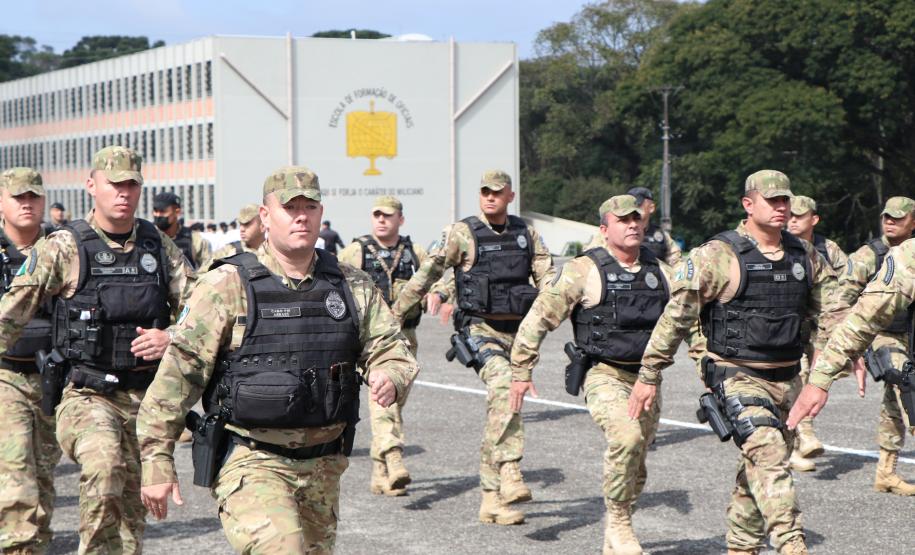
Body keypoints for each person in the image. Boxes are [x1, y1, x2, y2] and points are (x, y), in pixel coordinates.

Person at [136, 166, 418, 553]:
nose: (301, 216)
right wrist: (156, 460)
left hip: (324, 465)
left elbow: (391, 346)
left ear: (321, 213)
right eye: (290, 208)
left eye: (310, 206)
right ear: (266, 216)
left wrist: (390, 373)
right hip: (252, 459)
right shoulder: (227, 286)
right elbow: (177, 376)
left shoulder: (351, 285)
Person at [627, 170, 838, 555]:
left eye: (784, 201)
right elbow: (676, 318)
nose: (780, 207)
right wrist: (649, 374)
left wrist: (833, 361)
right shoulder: (717, 255)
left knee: (757, 470)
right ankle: (793, 545)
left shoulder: (803, 255)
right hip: (736, 376)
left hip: (788, 380)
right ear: (748, 204)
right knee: (770, 455)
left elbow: (830, 313)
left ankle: (741, 548)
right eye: (771, 200)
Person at [0, 146, 193, 553]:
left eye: (131, 184)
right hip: (85, 393)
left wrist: (171, 335)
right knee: (104, 466)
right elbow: (10, 314)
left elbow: (201, 311)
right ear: (92, 186)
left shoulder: (156, 246)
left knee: (130, 510)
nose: (123, 193)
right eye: (114, 184)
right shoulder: (64, 247)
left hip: (144, 397)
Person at [510, 194, 672, 554]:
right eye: (622, 220)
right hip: (605, 375)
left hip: (647, 381)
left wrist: (711, 366)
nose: (632, 225)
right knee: (627, 438)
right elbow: (538, 319)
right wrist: (521, 370)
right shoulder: (584, 270)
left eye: (637, 219)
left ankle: (615, 536)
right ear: (604, 228)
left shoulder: (660, 271)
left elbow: (688, 322)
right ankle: (619, 524)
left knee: (638, 465)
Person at [391, 169, 554, 525]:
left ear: (511, 195)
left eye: (497, 192)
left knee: (502, 406)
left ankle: (490, 499)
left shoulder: (527, 234)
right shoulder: (461, 234)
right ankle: (510, 469)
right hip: (480, 329)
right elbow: (426, 275)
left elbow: (549, 283)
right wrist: (395, 318)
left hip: (518, 334)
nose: (490, 197)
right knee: (503, 385)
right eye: (485, 192)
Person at [788, 238, 915, 495]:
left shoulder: (829, 247)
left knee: (897, 395)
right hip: (882, 335)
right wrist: (821, 377)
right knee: (902, 385)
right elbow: (860, 314)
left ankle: (886, 471)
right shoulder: (895, 255)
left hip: (897, 335)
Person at [338, 195, 427, 496]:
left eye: (388, 215)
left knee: (395, 401)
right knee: (382, 395)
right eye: (377, 215)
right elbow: (335, 282)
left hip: (406, 338)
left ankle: (379, 473)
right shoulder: (356, 251)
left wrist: (440, 296)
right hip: (373, 342)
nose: (381, 220)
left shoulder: (415, 252)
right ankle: (393, 454)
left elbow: (436, 279)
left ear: (400, 219)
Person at [827, 196, 915, 493]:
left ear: (913, 222)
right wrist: (851, 351)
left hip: (910, 335)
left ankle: (886, 473)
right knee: (908, 382)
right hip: (880, 335)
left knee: (895, 400)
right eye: (886, 217)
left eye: (898, 218)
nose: (890, 221)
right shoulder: (868, 256)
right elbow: (840, 304)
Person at [0, 168, 62, 555]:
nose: (27, 204)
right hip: (5, 374)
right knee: (15, 468)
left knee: (42, 473)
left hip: (53, 379)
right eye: (18, 197)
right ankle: (18, 547)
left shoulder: (63, 250)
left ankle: (34, 542)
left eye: (33, 197)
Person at [784, 195, 849, 471]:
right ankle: (805, 435)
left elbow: (848, 282)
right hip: (792, 327)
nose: (793, 220)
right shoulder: (780, 246)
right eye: (791, 215)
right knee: (797, 378)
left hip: (820, 328)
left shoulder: (828, 249)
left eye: (800, 215)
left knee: (816, 379)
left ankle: (794, 446)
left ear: (815, 219)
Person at [152, 192, 213, 271]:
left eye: (163, 211)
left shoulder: (194, 240)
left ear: (177, 212)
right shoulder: (146, 235)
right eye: (155, 211)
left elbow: (208, 268)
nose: (158, 215)